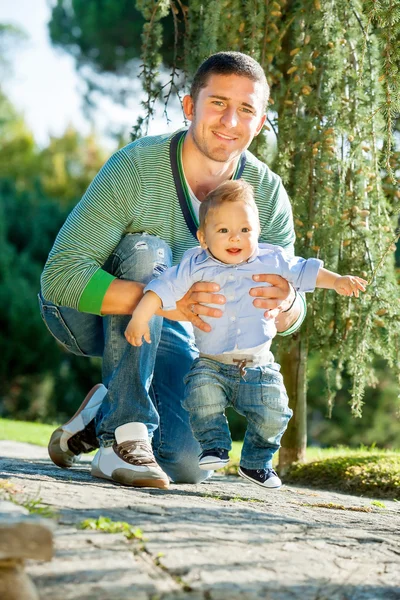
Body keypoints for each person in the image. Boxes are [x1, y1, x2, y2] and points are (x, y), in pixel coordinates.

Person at [40, 51, 308, 489]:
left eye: (246, 110)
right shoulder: (136, 166)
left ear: (259, 123)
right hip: (79, 314)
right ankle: (121, 437)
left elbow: (292, 311)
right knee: (150, 253)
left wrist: (287, 303)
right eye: (218, 103)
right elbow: (61, 276)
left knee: (184, 464)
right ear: (190, 107)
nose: (230, 121)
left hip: (172, 327)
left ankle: (103, 408)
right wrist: (166, 301)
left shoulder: (267, 192)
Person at [124, 180, 367, 488]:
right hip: (211, 362)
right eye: (223, 230)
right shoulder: (194, 265)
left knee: (275, 413)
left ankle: (256, 462)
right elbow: (160, 288)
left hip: (258, 365)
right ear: (203, 237)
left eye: (245, 230)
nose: (235, 238)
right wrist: (141, 316)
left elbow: (305, 269)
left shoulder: (272, 260)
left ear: (257, 232)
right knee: (201, 398)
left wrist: (336, 281)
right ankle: (213, 444)